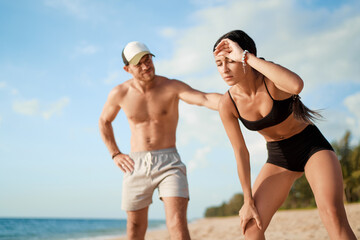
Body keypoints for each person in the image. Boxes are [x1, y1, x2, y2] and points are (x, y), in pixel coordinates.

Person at [213, 30, 356, 240]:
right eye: (218, 63)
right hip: (279, 158)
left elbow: (297, 85)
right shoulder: (227, 104)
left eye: (230, 60)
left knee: (332, 215)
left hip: (311, 147)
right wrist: (247, 200)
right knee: (251, 229)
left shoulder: (271, 81)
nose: (224, 69)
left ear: (244, 57)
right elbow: (240, 152)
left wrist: (247, 57)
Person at [99, 41, 221, 240]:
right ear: (127, 68)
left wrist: (233, 101)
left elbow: (204, 99)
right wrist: (115, 153)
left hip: (169, 162)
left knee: (177, 224)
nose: (146, 66)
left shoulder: (171, 86)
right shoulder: (120, 93)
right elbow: (104, 121)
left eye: (148, 59)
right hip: (135, 164)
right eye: (139, 63)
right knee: (135, 229)